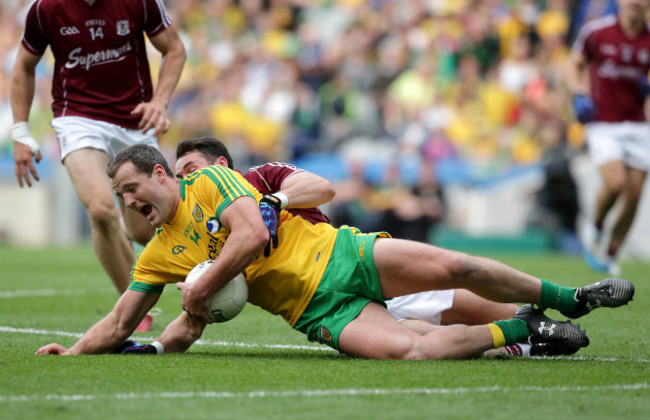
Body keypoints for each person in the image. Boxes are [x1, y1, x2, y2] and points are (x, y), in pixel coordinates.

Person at [35, 143, 634, 360]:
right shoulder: (159, 253)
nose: (125, 202)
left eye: (130, 189)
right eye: (119, 196)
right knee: (414, 353)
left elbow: (246, 236)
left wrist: (200, 284)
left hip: (341, 254)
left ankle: (572, 298)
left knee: (459, 267)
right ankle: (527, 336)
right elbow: (121, 319)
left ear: (164, 175)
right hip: (316, 312)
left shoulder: (212, 180)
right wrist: (77, 350)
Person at [173, 137, 549, 357]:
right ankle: (523, 339)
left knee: (499, 308)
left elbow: (323, 188)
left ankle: (545, 322)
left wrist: (275, 200)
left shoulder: (258, 177)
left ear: (220, 164)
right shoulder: (197, 226)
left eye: (190, 170)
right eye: (179, 177)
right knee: (419, 343)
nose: (185, 181)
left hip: (351, 267)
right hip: (325, 304)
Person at [11, 0, 186, 330]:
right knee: (101, 209)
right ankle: (133, 309)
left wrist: (160, 102)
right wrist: (20, 132)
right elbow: (23, 65)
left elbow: (175, 49)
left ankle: (121, 235)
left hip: (135, 122)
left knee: (145, 230)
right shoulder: (45, 8)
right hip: (78, 118)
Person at [568, 0, 650, 275]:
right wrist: (579, 94)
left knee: (635, 194)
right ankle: (596, 227)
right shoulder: (597, 32)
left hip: (638, 125)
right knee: (615, 183)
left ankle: (610, 253)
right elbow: (576, 64)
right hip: (603, 122)